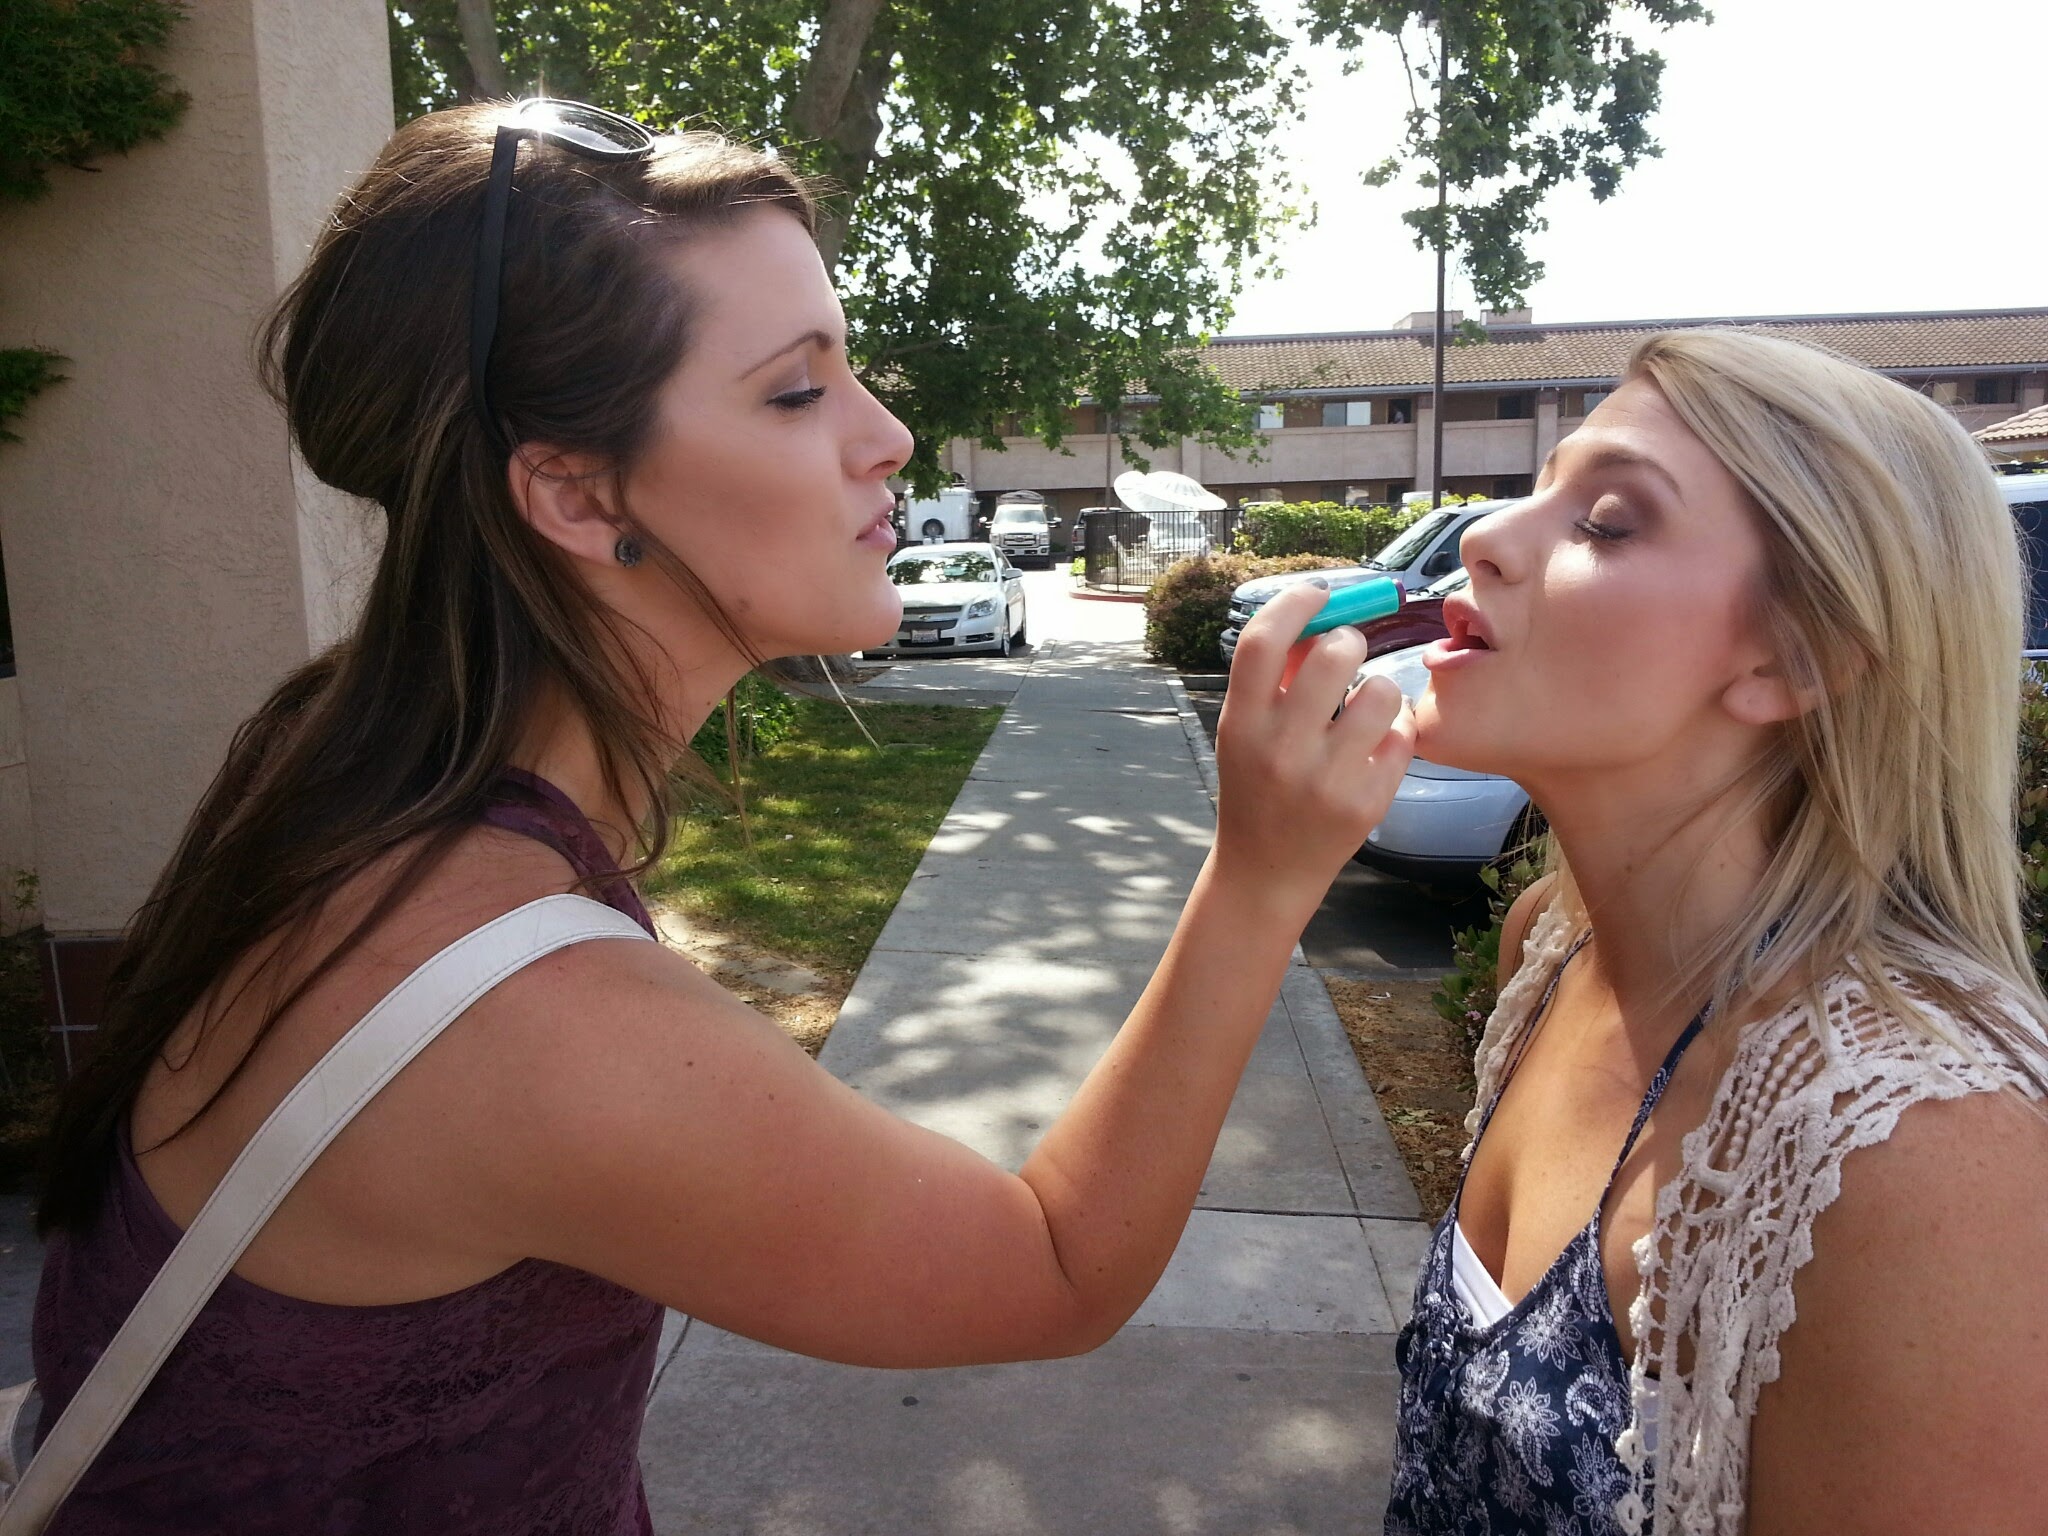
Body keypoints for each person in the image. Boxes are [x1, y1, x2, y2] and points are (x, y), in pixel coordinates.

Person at [27, 102, 1415, 1532]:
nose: (889, 436)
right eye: (796, 392)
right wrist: (1259, 878)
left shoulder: (341, 768)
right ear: (575, 492)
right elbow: (1056, 1271)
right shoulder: (531, 1018)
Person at [1384, 328, 2048, 1535]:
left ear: (1793, 659)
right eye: (1539, 488)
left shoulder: (1924, 1153)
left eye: (1607, 522)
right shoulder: (1549, 949)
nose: (1485, 536)